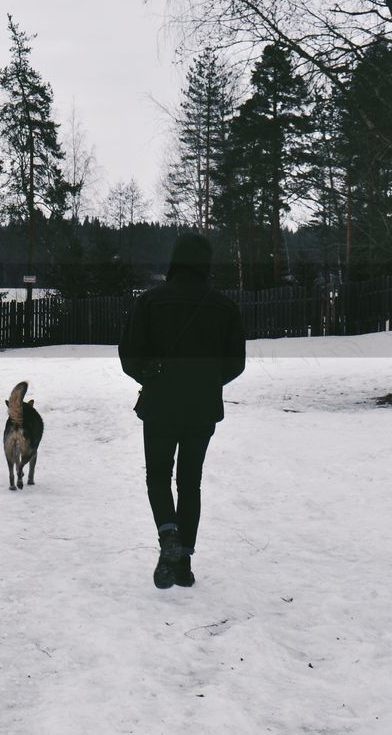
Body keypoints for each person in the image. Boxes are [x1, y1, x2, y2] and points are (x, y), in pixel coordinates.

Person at [118, 234, 246, 589]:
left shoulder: (150, 302)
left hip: (160, 405)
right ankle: (184, 564)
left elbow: (129, 356)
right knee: (190, 483)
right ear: (206, 263)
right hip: (203, 407)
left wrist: (150, 373)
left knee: (158, 476)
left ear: (175, 261)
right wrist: (208, 379)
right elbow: (235, 363)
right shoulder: (225, 307)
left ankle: (169, 536)